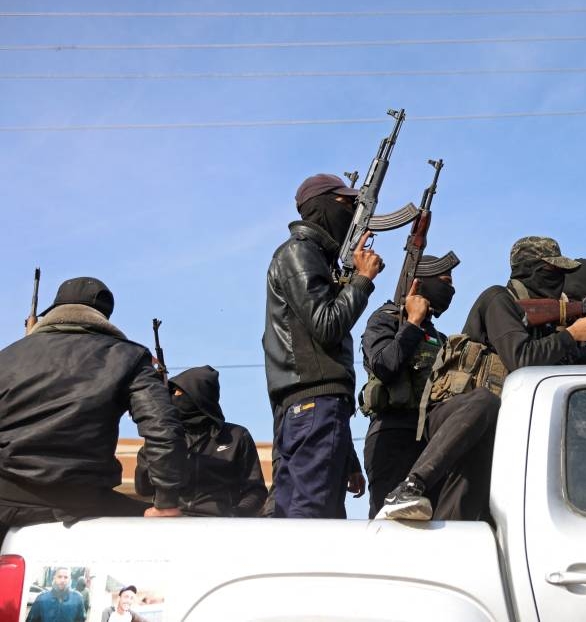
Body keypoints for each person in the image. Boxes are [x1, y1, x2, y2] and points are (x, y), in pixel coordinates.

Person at [376, 236, 586, 521]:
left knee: (467, 505)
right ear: (531, 270)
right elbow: (520, 358)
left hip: (492, 424)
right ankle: (412, 485)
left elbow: (573, 371)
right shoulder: (499, 299)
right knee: (485, 402)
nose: (559, 281)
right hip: (457, 414)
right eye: (552, 272)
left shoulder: (543, 324)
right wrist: (570, 335)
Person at [0, 277, 185, 536]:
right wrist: (166, 502)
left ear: (54, 310)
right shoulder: (129, 356)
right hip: (81, 500)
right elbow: (162, 428)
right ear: (105, 316)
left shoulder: (7, 356)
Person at [263, 173, 381, 518]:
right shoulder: (299, 253)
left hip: (310, 407)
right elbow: (327, 325)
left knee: (306, 514)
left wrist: (348, 458)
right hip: (314, 404)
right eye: (347, 203)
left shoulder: (313, 257)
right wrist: (362, 281)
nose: (353, 211)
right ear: (323, 206)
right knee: (312, 517)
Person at [361, 254, 460, 518]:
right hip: (392, 437)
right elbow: (385, 365)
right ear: (419, 283)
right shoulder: (385, 319)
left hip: (430, 444)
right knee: (389, 524)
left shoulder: (438, 337)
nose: (451, 290)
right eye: (445, 282)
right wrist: (412, 323)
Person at [134, 366, 267, 517]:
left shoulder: (237, 436)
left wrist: (235, 515)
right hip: (172, 522)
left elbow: (256, 491)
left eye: (178, 392)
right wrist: (153, 444)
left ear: (198, 395)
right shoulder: (167, 437)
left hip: (220, 527)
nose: (172, 397)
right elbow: (143, 489)